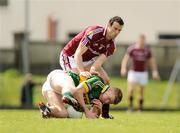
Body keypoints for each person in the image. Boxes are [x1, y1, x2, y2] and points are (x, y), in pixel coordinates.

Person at [59, 16, 124, 118]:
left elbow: (98, 63)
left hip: (87, 61)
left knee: (106, 80)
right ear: (108, 25)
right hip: (70, 56)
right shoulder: (93, 32)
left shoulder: (112, 46)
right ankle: (70, 103)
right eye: (115, 28)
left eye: (119, 30)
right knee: (77, 78)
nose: (116, 32)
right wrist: (81, 72)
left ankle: (103, 113)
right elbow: (78, 54)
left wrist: (93, 70)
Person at [38, 69, 123, 119]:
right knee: (72, 88)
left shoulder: (98, 100)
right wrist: (86, 111)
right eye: (109, 98)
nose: (106, 101)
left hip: (50, 89)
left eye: (109, 102)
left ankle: (47, 110)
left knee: (63, 113)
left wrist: (97, 111)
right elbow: (78, 91)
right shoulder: (98, 83)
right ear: (109, 89)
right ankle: (68, 96)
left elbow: (92, 116)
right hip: (59, 77)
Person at [120, 34, 160, 112]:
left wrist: (155, 72)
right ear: (138, 40)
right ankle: (130, 107)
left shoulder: (147, 50)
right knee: (131, 90)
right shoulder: (132, 49)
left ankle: (140, 108)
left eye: (143, 41)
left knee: (141, 92)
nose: (142, 42)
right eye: (141, 40)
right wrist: (123, 68)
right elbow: (125, 59)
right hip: (133, 72)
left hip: (143, 73)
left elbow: (152, 62)